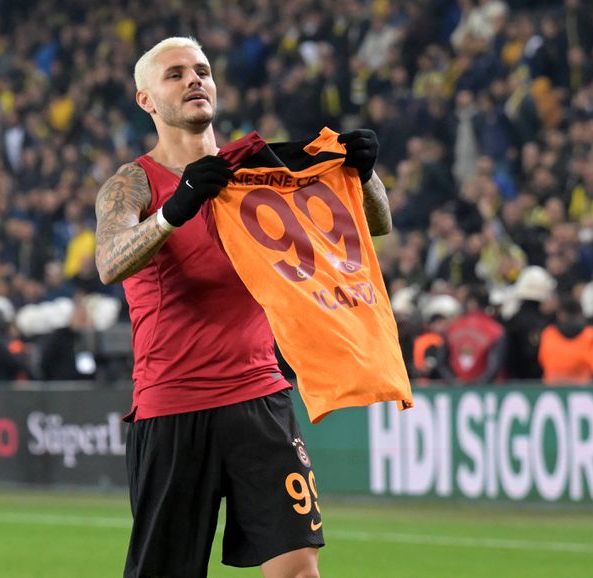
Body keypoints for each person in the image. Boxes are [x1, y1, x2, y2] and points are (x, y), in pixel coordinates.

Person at [94, 36, 392, 578]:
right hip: (173, 406)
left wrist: (366, 175)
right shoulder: (133, 182)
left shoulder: (255, 169)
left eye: (202, 70)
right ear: (146, 100)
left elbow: (376, 224)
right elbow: (109, 262)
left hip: (261, 398)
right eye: (175, 74)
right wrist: (175, 209)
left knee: (299, 569)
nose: (194, 80)